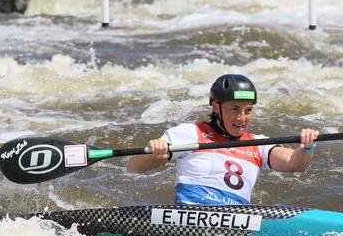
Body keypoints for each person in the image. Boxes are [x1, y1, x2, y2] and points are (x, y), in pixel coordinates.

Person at [127, 74, 319, 205]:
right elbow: (134, 167)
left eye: (248, 110)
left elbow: (296, 164)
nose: (242, 118)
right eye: (234, 109)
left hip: (234, 223)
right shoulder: (190, 133)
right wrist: (155, 154)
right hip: (189, 215)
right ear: (216, 107)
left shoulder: (258, 145)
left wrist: (306, 147)